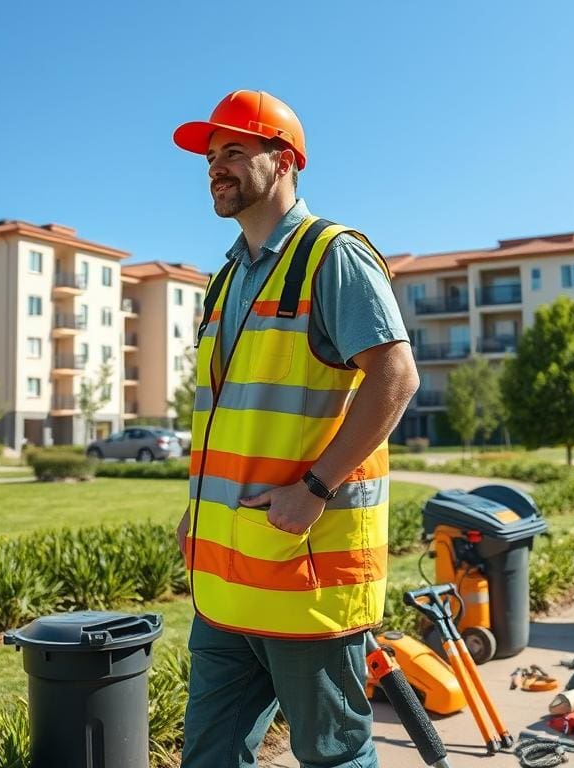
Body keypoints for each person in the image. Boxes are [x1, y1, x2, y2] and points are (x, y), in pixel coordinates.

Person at [172, 90, 420, 768]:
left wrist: (314, 487)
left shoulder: (332, 255)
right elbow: (234, 416)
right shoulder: (226, 279)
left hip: (306, 575)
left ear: (282, 161)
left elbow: (396, 380)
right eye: (210, 157)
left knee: (332, 757)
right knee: (210, 756)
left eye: (233, 152)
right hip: (225, 582)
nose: (215, 168)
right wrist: (195, 511)